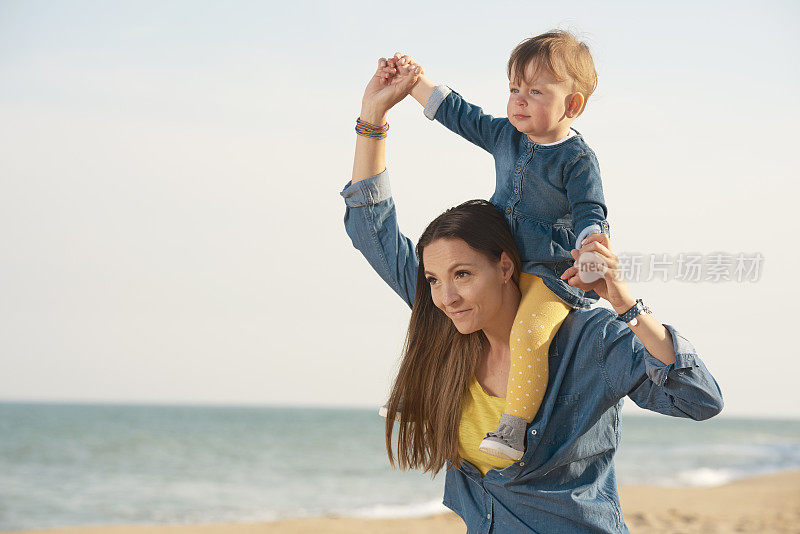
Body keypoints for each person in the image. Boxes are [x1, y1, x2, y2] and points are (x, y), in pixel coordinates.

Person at [340, 57, 723, 533]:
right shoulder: (448, 323)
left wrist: (626, 306)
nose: (445, 296)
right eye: (434, 280)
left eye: (462, 274)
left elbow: (699, 399)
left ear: (505, 266)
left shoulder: (589, 341)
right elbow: (370, 227)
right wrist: (372, 119)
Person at [375, 31, 610, 461]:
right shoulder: (506, 136)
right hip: (502, 258)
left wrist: (592, 246)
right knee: (450, 312)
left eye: (535, 91)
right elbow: (462, 115)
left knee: (529, 332)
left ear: (571, 105)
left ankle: (513, 426)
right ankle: (423, 398)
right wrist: (414, 83)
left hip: (550, 272)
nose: (518, 100)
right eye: (514, 89)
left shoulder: (576, 160)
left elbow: (590, 211)